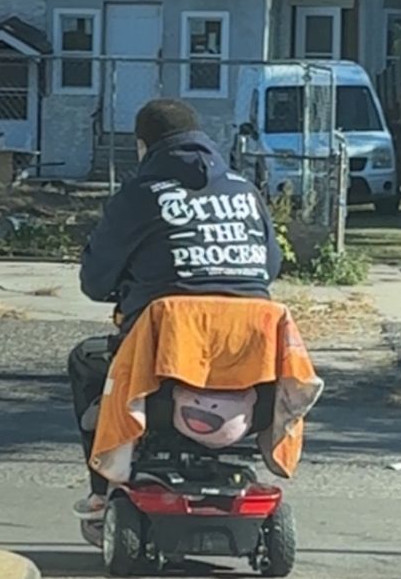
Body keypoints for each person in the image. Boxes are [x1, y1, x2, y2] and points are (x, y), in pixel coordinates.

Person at [70, 99, 282, 517]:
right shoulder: (244, 191)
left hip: (162, 369)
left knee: (85, 363)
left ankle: (103, 486)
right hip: (249, 363)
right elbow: (269, 268)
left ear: (143, 147)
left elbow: (95, 282)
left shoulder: (139, 196)